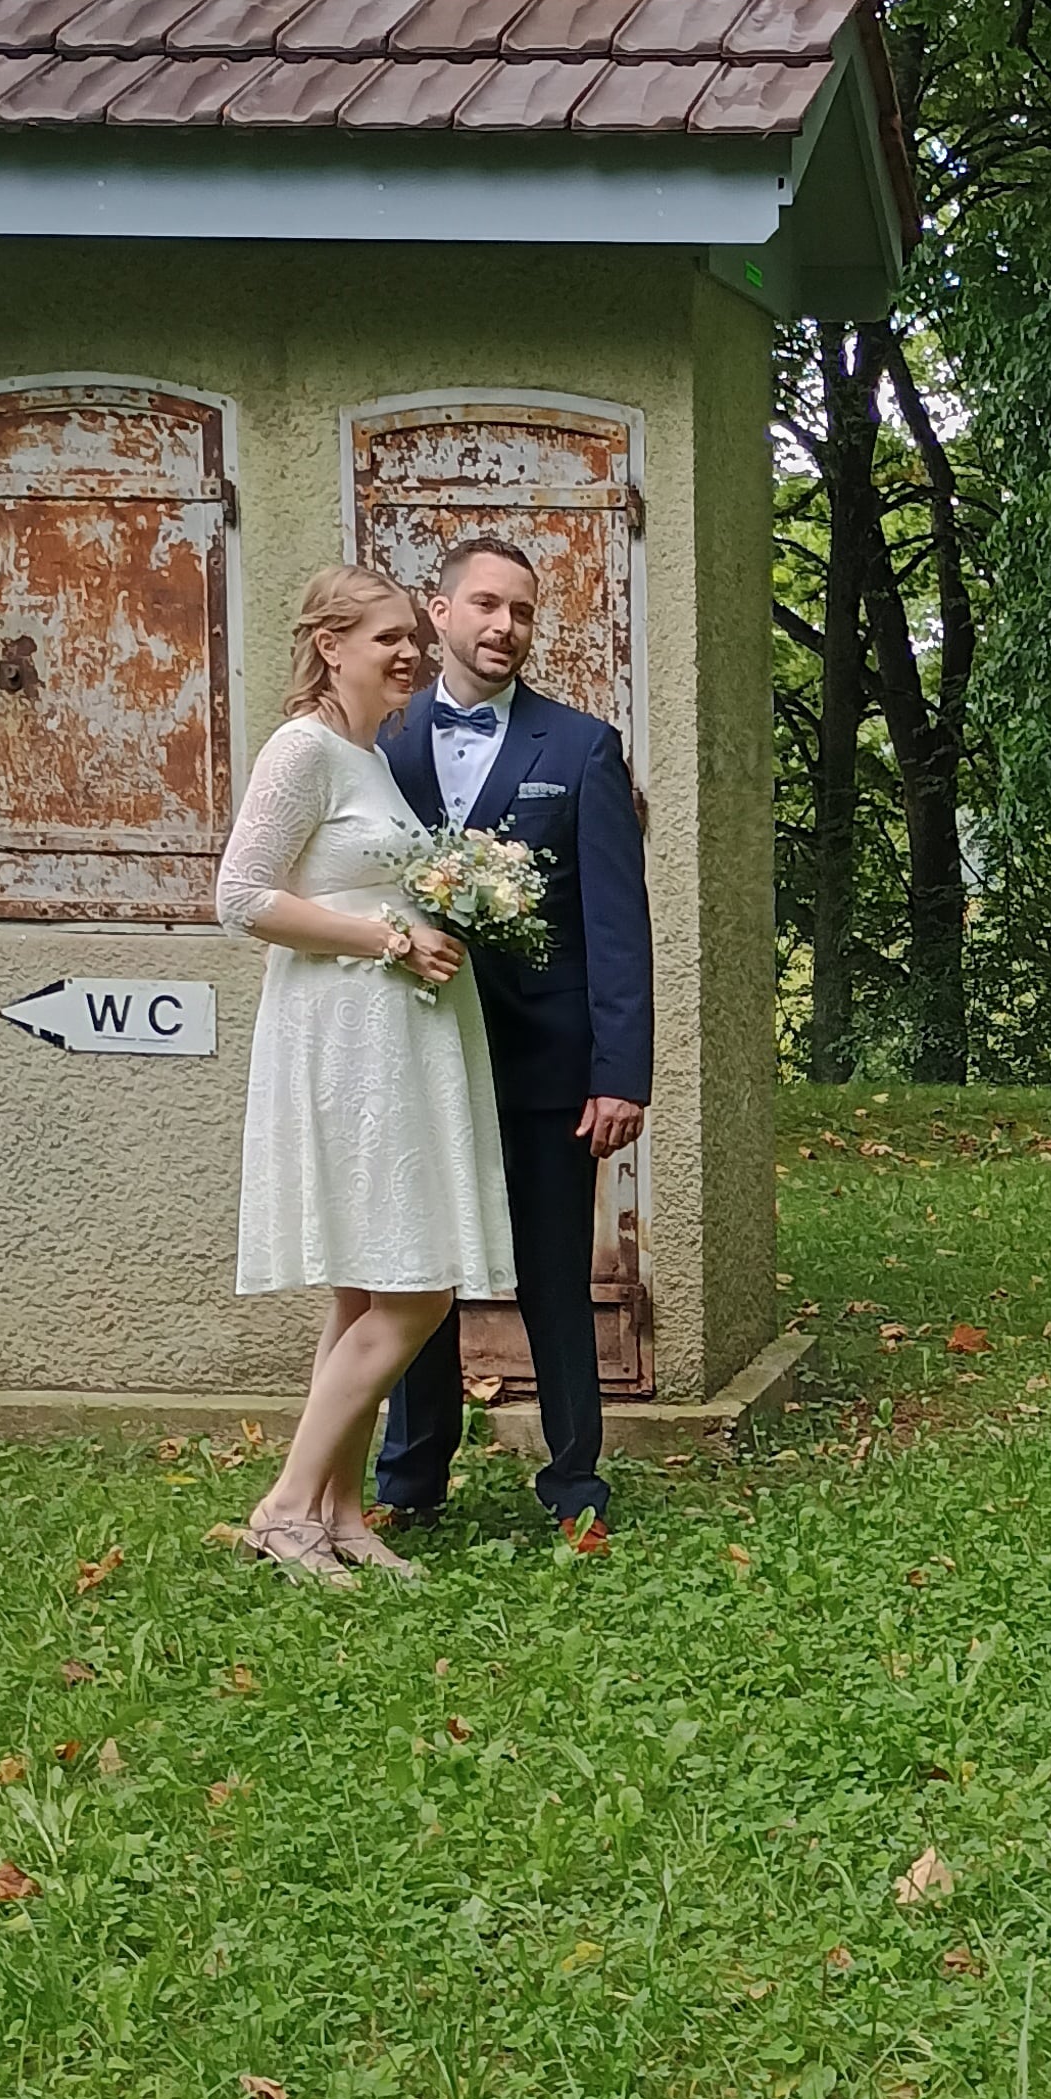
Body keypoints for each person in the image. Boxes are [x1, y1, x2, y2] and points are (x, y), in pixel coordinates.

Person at [216, 565, 514, 1583]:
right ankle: (289, 1504)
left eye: (412, 642)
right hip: (346, 1044)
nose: (409, 656)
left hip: (392, 1045)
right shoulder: (302, 749)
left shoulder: (368, 755)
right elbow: (241, 896)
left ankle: (341, 1511)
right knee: (417, 1290)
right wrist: (385, 940)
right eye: (387, 637)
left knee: (360, 1295)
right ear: (329, 644)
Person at [372, 536, 653, 1541]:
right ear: (436, 611)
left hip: (546, 1058)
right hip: (414, 1049)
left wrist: (620, 1070)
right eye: (485, 604)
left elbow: (619, 922)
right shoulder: (379, 739)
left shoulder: (580, 748)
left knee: (552, 1276)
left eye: (523, 612)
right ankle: (410, 1479)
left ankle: (575, 1484)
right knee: (420, 1270)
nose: (504, 626)